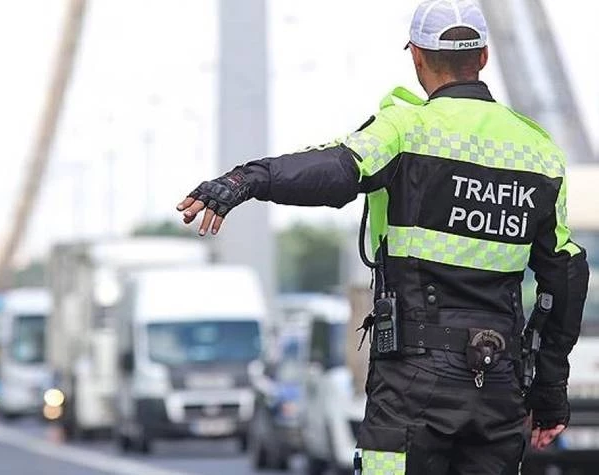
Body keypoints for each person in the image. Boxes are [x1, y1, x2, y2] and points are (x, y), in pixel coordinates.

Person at [176, 1, 589, 473]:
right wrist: (550, 391)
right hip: (498, 385)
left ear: (416, 56)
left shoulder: (405, 130)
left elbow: (332, 170)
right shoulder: (539, 153)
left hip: (413, 383)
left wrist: (245, 180)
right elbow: (566, 278)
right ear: (484, 57)